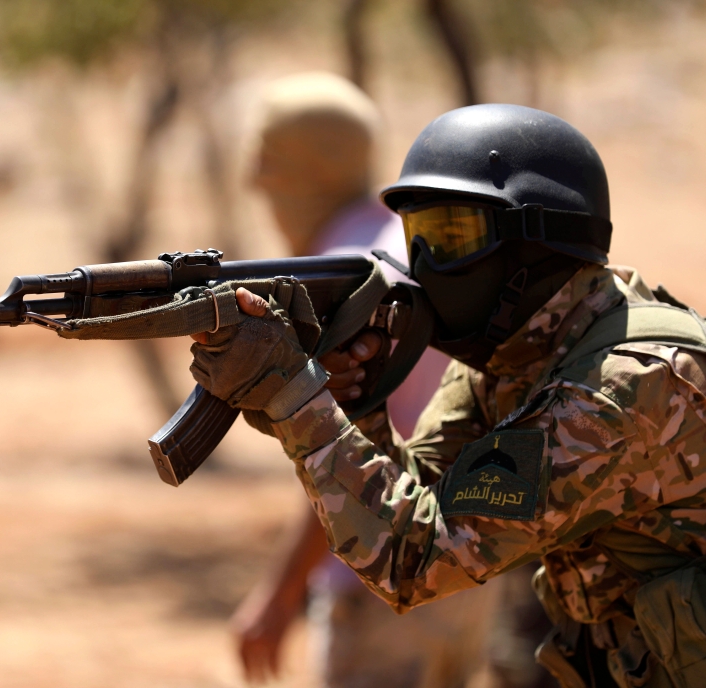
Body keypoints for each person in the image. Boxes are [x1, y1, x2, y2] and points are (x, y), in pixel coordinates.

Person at [191, 103, 706, 688]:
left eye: (453, 236)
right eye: (420, 238)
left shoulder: (623, 387)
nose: (428, 265)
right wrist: (356, 402)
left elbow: (417, 562)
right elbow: (421, 499)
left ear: (540, 242)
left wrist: (298, 401)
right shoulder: (516, 354)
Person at [230, 72, 495, 688]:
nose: (255, 182)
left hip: (385, 576)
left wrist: (279, 595)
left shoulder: (337, 274)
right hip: (473, 565)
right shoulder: (407, 246)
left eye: (267, 161)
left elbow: (349, 452)